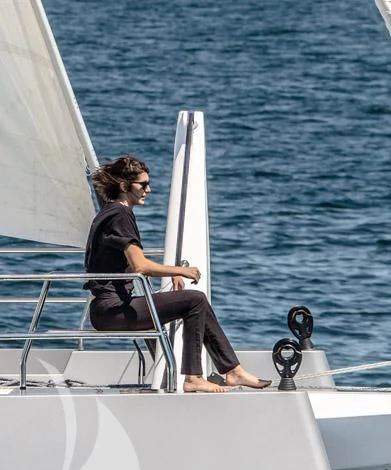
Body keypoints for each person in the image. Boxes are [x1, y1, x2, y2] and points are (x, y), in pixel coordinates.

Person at [84, 155, 270, 393]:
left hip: (109, 308)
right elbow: (139, 266)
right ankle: (195, 377)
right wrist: (180, 269)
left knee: (195, 302)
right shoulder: (120, 215)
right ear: (124, 186)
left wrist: (169, 270)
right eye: (143, 184)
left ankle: (233, 371)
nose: (149, 190)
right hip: (112, 311)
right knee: (194, 300)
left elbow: (121, 264)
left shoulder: (111, 212)